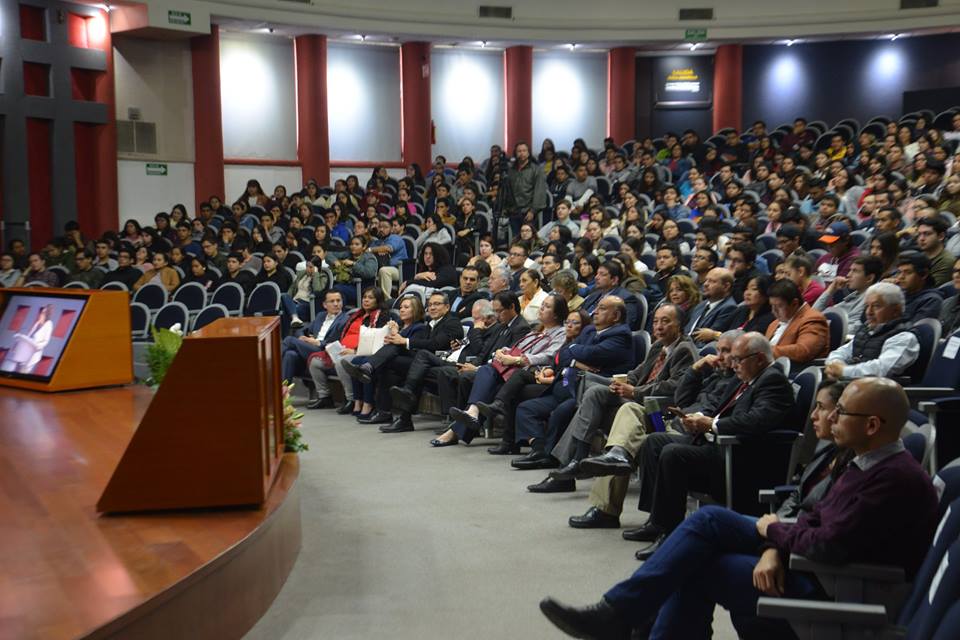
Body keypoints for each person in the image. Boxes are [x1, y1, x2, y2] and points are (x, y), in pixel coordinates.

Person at [539, 377, 938, 640]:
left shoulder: (891, 477)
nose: (828, 418)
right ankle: (626, 617)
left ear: (871, 425)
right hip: (810, 559)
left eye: (840, 413)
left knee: (702, 552)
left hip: (838, 584)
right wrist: (773, 545)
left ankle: (623, 616)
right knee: (704, 524)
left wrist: (771, 533)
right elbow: (815, 517)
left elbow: (829, 542)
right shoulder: (861, 458)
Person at [627, 332, 796, 558]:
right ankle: (657, 522)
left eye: (738, 359)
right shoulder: (743, 379)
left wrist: (711, 425)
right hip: (712, 442)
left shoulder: (773, 381)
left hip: (740, 458)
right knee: (655, 441)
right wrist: (697, 420)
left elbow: (757, 421)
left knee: (673, 454)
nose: (732, 364)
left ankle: (671, 535)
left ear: (759, 359)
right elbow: (696, 403)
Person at [568, 330, 742, 529]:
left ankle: (624, 510)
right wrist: (695, 369)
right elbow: (682, 399)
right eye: (718, 350)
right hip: (675, 418)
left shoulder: (737, 380)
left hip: (694, 430)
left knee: (635, 437)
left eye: (726, 351)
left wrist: (702, 420)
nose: (718, 356)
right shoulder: (713, 372)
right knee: (629, 411)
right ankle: (616, 459)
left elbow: (715, 412)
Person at [532, 304, 696, 485]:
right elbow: (638, 372)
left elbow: (673, 387)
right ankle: (576, 460)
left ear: (679, 325)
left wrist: (634, 391)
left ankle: (571, 466)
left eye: (665, 321)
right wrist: (623, 382)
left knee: (591, 406)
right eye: (656, 321)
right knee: (594, 392)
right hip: (639, 399)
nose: (658, 326)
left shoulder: (684, 350)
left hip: (658, 409)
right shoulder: (658, 346)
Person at [433, 294, 570, 447]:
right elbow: (518, 347)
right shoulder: (537, 330)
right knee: (486, 370)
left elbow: (549, 356)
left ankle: (459, 427)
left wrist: (518, 359)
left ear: (557, 313)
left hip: (530, 372)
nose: (542, 308)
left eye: (547, 306)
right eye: (542, 304)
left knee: (484, 380)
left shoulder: (561, 333)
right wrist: (502, 352)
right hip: (511, 369)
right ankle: (472, 411)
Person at [513, 297, 634, 470]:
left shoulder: (621, 335)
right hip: (568, 385)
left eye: (602, 308)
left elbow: (593, 353)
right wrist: (575, 360)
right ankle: (539, 450)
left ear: (616, 316)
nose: (596, 311)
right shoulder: (590, 330)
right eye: (597, 307)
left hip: (589, 391)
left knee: (561, 412)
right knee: (526, 409)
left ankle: (550, 457)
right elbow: (563, 354)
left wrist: (573, 352)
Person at [382, 292, 530, 432]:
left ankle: (438, 417)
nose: (497, 315)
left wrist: (476, 336)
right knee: (419, 366)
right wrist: (463, 346)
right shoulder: (501, 326)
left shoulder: (506, 327)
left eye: (499, 311)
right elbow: (484, 351)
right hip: (460, 360)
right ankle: (405, 410)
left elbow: (484, 351)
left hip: (479, 367)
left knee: (426, 362)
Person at [341, 291, 464, 433]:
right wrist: (400, 340)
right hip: (421, 361)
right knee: (389, 367)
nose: (432, 307)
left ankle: (370, 369)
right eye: (430, 305)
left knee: (396, 352)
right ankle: (386, 412)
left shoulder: (452, 322)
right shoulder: (431, 324)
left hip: (437, 363)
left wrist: (404, 340)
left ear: (447, 307)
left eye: (437, 304)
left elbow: (436, 344)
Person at [309, 287, 390, 415]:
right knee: (315, 362)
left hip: (359, 352)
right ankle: (324, 396)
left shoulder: (381, 317)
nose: (366, 300)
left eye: (370, 298)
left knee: (342, 361)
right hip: (342, 348)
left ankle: (351, 399)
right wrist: (331, 346)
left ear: (378, 300)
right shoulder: (356, 315)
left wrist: (354, 351)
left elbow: (376, 341)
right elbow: (341, 332)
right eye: (364, 297)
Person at [350, 296, 429, 419]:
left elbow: (413, 350)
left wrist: (395, 335)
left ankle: (369, 401)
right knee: (360, 363)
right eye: (401, 307)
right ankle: (382, 411)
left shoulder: (420, 328)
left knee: (379, 364)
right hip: (394, 359)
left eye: (406, 307)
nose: (401, 310)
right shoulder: (400, 326)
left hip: (411, 362)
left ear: (416, 310)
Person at [824, 282, 920, 380]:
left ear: (895, 310)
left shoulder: (904, 337)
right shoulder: (867, 330)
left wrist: (844, 371)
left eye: (876, 306)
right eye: (867, 306)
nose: (869, 312)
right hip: (852, 384)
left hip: (879, 392)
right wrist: (835, 364)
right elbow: (841, 352)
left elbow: (882, 369)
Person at [281, 290, 348, 401]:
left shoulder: (345, 319)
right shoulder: (320, 316)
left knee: (288, 340)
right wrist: (303, 338)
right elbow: (302, 330)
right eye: (332, 301)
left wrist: (318, 342)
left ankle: (273, 370)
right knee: (290, 354)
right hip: (312, 349)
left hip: (325, 351)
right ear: (325, 305)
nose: (336, 304)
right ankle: (283, 393)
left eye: (338, 301)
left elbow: (338, 341)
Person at [812, 255, 883, 335]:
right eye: (850, 270)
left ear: (869, 278)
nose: (848, 275)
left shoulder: (868, 301)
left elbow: (851, 331)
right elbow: (813, 314)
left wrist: (819, 327)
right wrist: (831, 289)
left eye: (855, 271)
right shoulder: (854, 296)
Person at [765, 279, 829, 366]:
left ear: (794, 303)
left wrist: (765, 351)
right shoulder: (774, 323)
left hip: (794, 371)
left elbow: (803, 351)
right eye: (772, 306)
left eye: (779, 306)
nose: (773, 311)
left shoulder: (813, 319)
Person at [503, 141, 547, 238]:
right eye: (519, 151)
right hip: (513, 211)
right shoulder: (511, 170)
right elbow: (507, 190)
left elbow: (539, 191)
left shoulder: (536, 169)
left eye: (524, 150)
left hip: (528, 211)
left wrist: (533, 210)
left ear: (528, 153)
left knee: (528, 239)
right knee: (515, 239)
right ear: (515, 153)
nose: (521, 153)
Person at [686, 268, 737, 346]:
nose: (705, 284)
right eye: (706, 280)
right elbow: (687, 330)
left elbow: (705, 341)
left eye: (712, 281)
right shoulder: (702, 304)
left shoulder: (729, 308)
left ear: (726, 286)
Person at [1, 304, 53, 374]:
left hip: (34, 352)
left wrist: (37, 346)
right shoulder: (38, 323)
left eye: (44, 311)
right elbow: (30, 335)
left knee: (24, 372)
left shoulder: (49, 324)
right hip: (25, 351)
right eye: (42, 311)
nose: (42, 312)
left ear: (48, 313)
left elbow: (46, 341)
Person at [895, 253, 943, 322]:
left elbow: (914, 328)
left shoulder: (931, 300)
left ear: (924, 274)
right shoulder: (900, 293)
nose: (900, 277)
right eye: (899, 272)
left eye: (907, 272)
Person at [369, 217, 409, 298]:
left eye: (385, 227)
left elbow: (388, 248)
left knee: (384, 271)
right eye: (380, 227)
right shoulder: (377, 242)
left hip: (399, 269)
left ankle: (386, 300)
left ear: (391, 229)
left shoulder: (395, 238)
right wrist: (376, 250)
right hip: (379, 267)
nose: (381, 229)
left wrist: (370, 249)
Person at [915, 215, 955, 286]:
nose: (921, 238)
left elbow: (931, 286)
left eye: (927, 234)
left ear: (941, 236)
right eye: (919, 234)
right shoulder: (920, 255)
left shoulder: (947, 261)